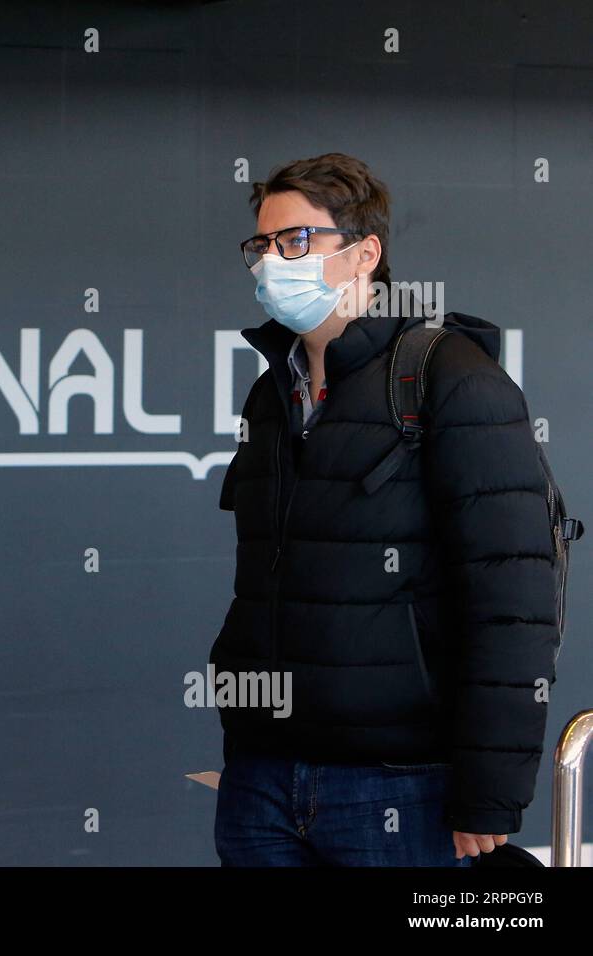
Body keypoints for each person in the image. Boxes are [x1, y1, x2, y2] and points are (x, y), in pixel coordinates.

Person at [211, 152, 558, 866]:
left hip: (404, 790)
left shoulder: (452, 380)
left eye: (298, 240)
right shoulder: (270, 396)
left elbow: (513, 602)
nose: (275, 260)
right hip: (261, 780)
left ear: (366, 253)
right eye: (264, 245)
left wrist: (490, 791)